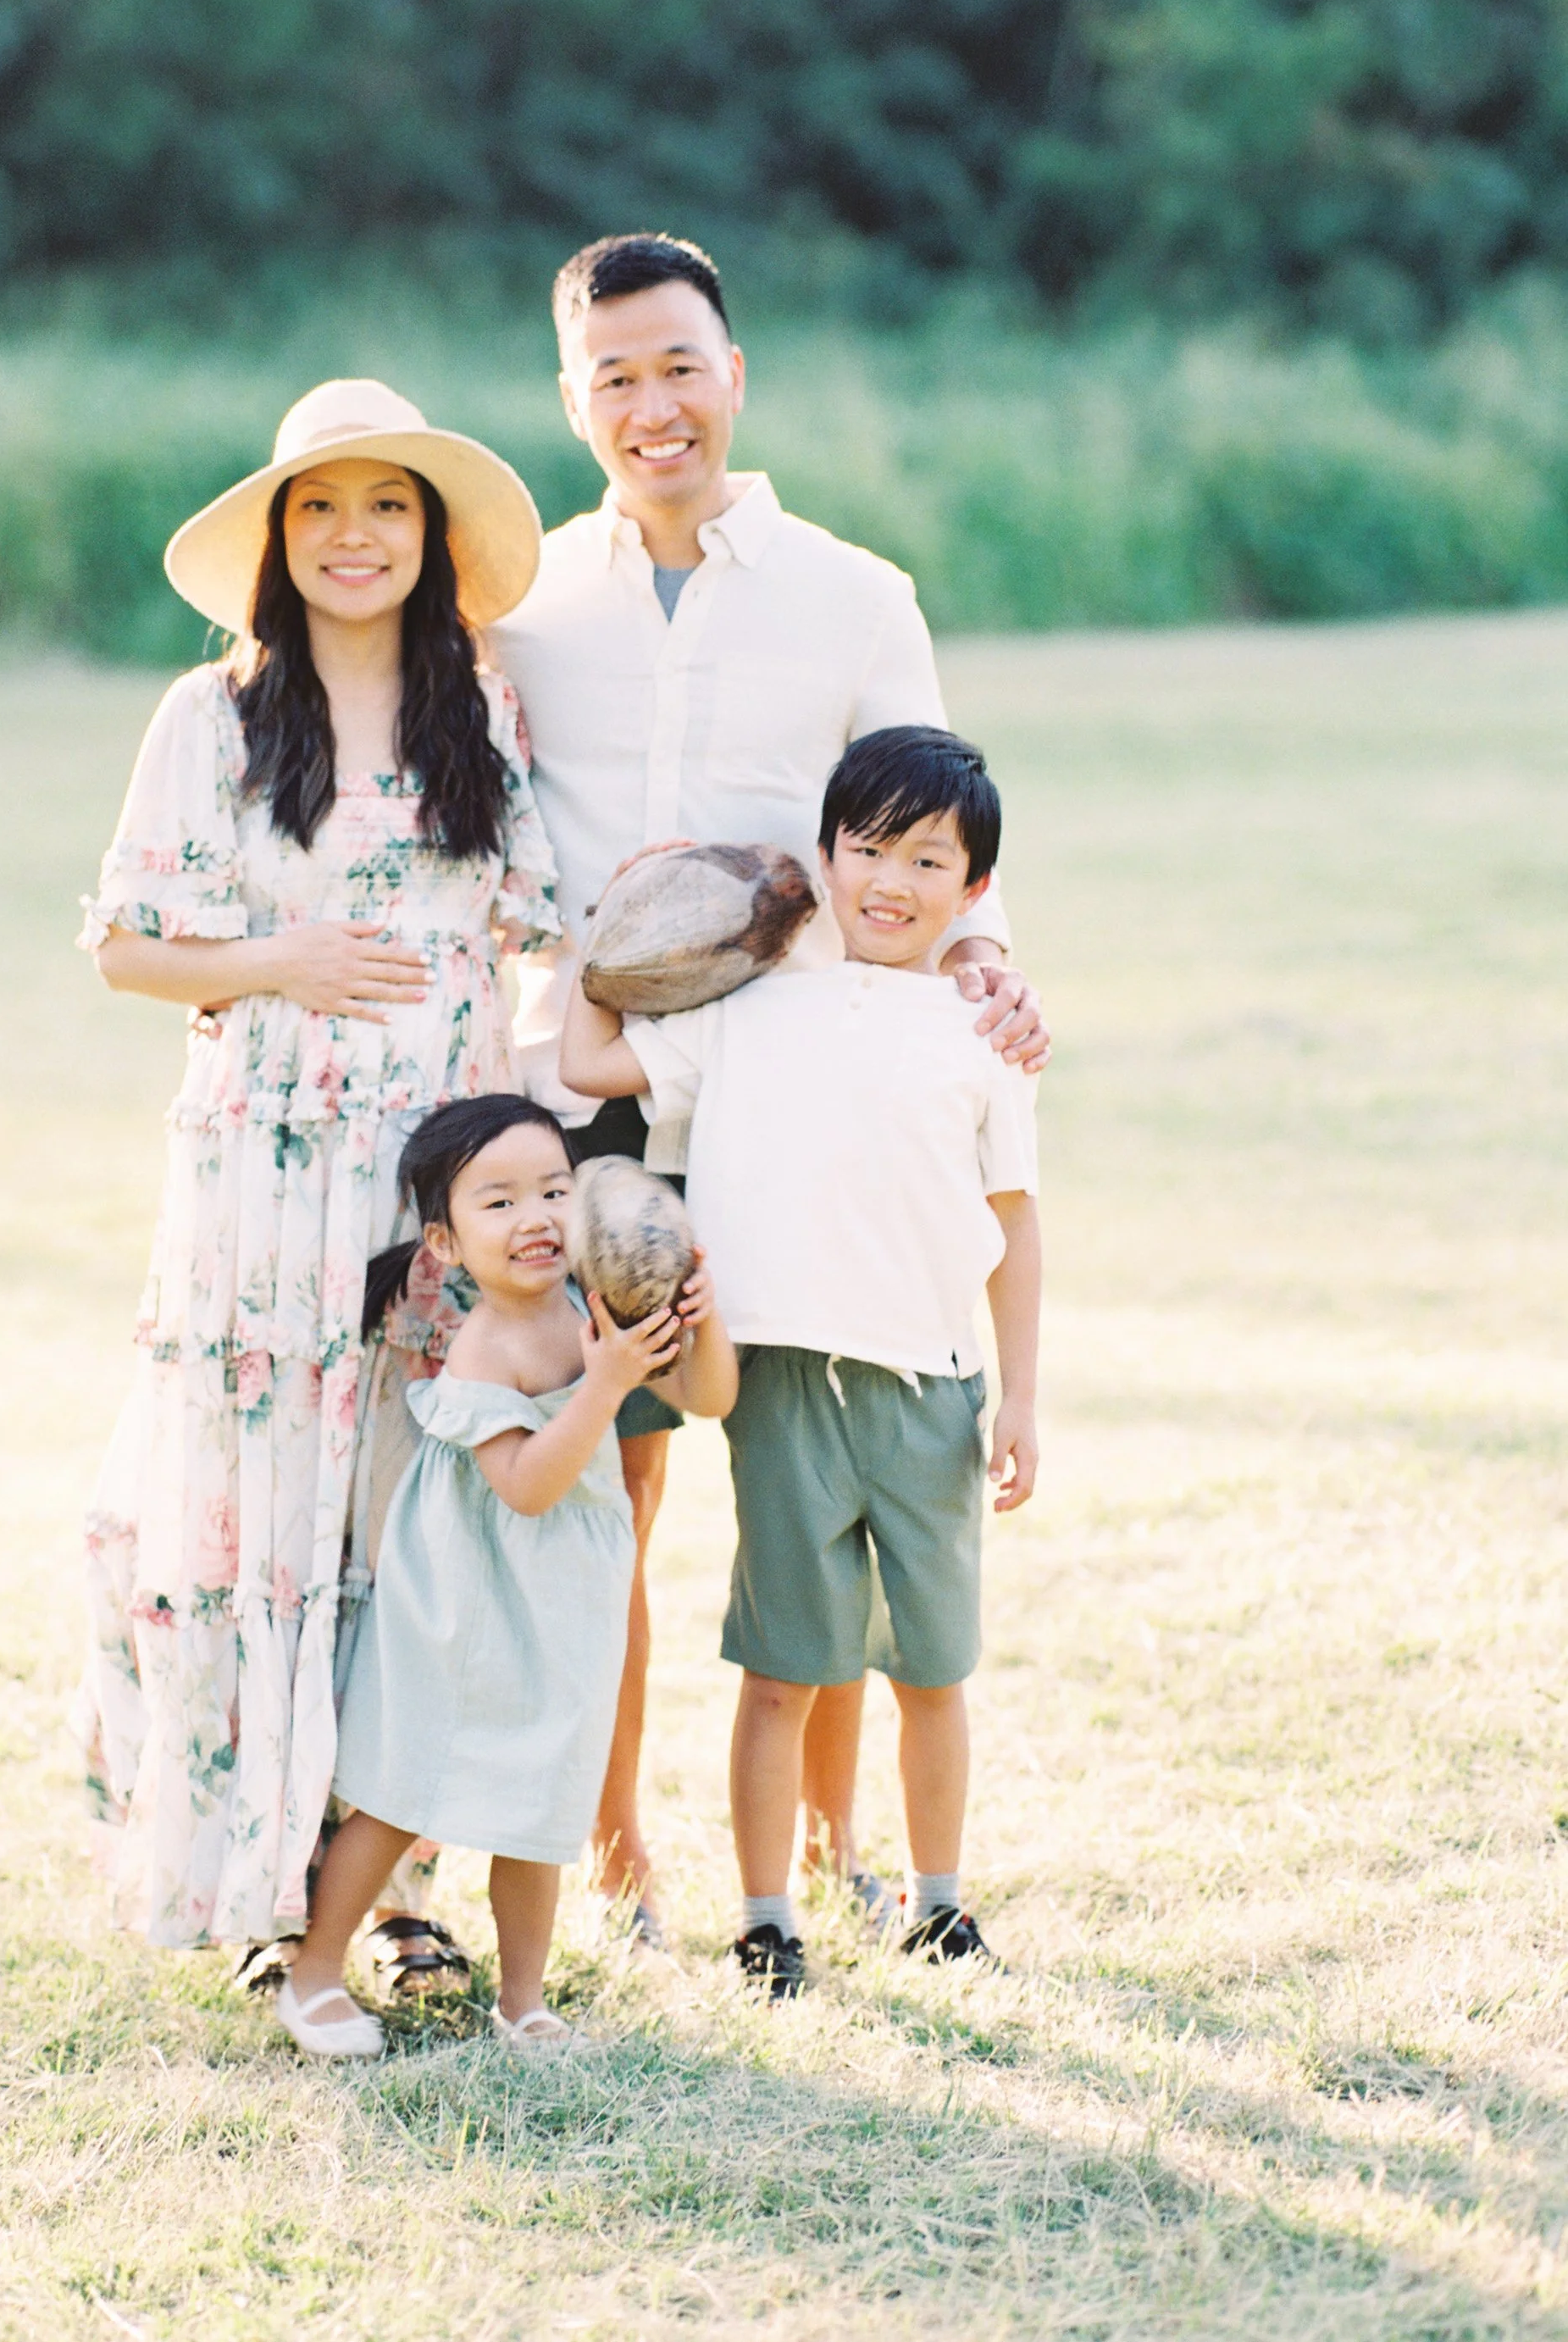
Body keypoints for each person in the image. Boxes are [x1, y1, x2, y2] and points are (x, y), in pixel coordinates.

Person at [487, 230, 1049, 1936]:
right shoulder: (528, 613)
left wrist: (992, 975)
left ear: (732, 374)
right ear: (572, 400)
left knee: (812, 1462)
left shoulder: (854, 593)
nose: (651, 404)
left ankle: (831, 1852)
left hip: (793, 1099)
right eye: (613, 377)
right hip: (602, 1109)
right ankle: (615, 1850)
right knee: (615, 1480)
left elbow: (933, 825)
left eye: (678, 365)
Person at [73, 380, 562, 1962]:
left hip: (440, 1168)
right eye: (321, 508)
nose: (356, 537)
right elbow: (125, 950)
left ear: (430, 538)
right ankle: (249, 1879)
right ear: (282, 539)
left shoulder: (479, 712)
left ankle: (389, 1886)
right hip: (266, 1173)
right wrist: (279, 953)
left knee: (401, 1517)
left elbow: (549, 922)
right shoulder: (210, 714)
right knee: (256, 1508)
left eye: (389, 507)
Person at [561, 726, 1040, 1992]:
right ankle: (766, 1917)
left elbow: (1013, 1227)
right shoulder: (747, 1009)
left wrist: (1022, 1399)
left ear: (974, 888)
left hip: (930, 1387)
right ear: (825, 857)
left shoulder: (982, 1030)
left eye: (926, 859)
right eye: (865, 847)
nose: (890, 881)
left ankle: (939, 1903)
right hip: (776, 1389)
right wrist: (606, 940)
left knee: (931, 1671)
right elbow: (584, 1061)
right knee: (780, 1671)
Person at [276, 1096, 737, 2057]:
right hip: (462, 1601)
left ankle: (523, 2000)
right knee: (406, 1782)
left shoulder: (591, 1309)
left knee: (545, 1796)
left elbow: (707, 1396)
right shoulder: (489, 1340)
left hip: (562, 1599)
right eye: (499, 1202)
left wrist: (702, 1318)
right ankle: (315, 1972)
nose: (536, 1217)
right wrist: (606, 1383)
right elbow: (525, 1487)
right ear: (442, 1242)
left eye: (555, 1190)